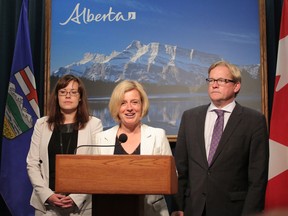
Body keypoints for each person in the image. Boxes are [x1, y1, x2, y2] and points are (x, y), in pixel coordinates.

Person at [171, 60, 269, 216]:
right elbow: (181, 169)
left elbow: (258, 178)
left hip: (233, 210)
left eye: (221, 80)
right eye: (211, 80)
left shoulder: (254, 120)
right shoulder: (190, 117)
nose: (214, 85)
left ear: (236, 86)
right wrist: (178, 206)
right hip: (193, 209)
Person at [27, 74, 103, 216]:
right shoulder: (41, 124)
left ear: (80, 97)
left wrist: (75, 198)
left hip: (81, 206)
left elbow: (96, 167)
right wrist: (47, 195)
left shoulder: (94, 124)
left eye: (73, 92)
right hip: (46, 205)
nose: (68, 96)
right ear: (57, 96)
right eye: (63, 92)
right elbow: (32, 163)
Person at [93, 80, 172, 216]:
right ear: (116, 107)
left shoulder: (157, 135)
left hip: (149, 210)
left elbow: (172, 176)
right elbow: (93, 179)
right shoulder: (101, 138)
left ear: (142, 105)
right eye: (123, 103)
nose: (129, 108)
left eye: (134, 102)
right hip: (110, 209)